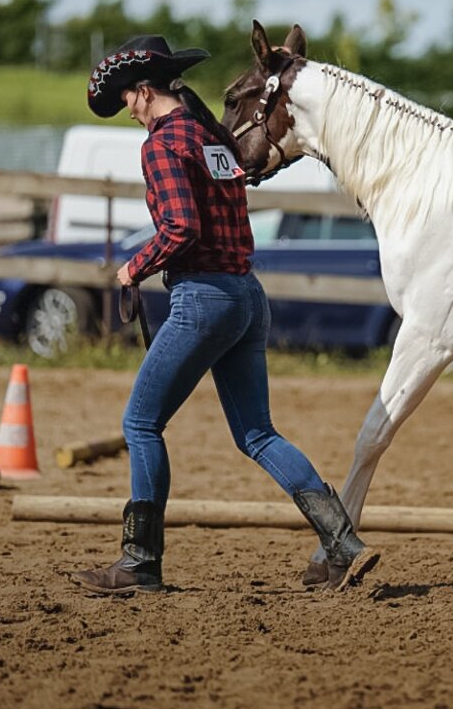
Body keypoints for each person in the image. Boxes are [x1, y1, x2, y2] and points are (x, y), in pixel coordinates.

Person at [71, 35, 378, 595]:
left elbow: (181, 228)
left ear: (144, 92)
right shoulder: (212, 140)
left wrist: (133, 267)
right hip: (245, 294)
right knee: (257, 432)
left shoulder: (163, 145)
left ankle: (140, 562)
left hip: (203, 299)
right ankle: (341, 540)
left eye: (127, 100)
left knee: (141, 424)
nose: (129, 112)